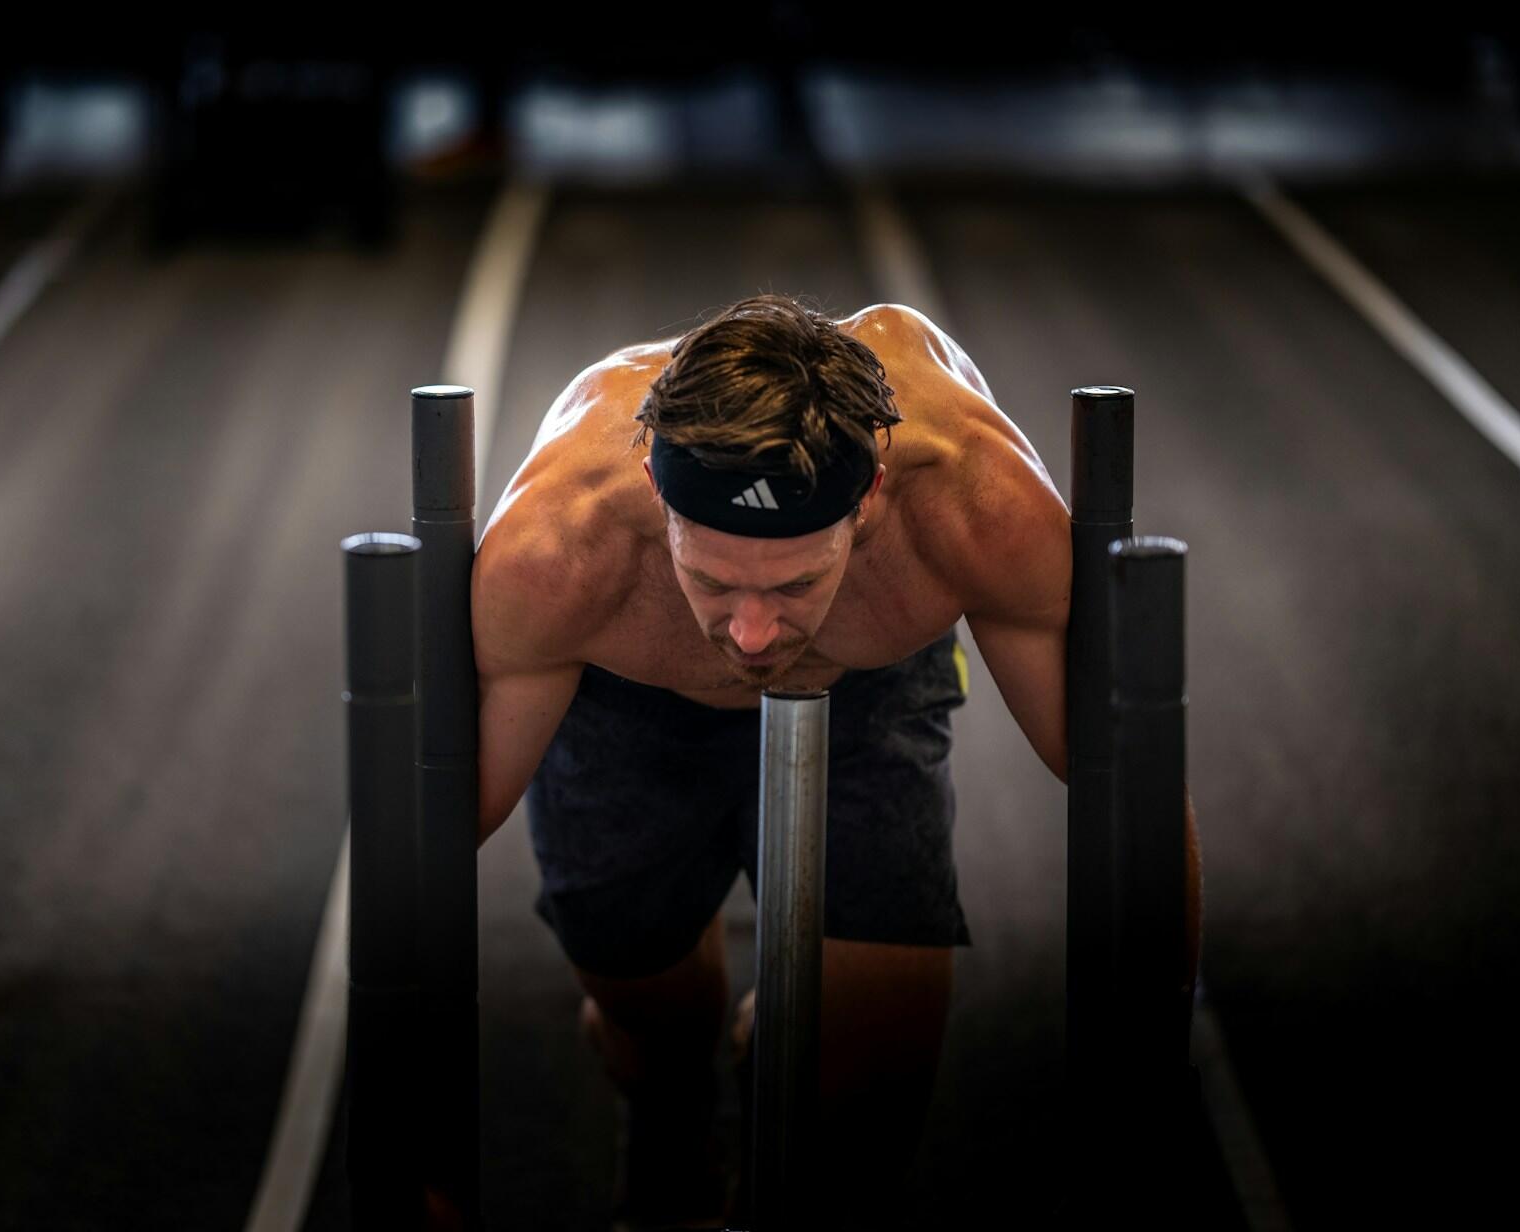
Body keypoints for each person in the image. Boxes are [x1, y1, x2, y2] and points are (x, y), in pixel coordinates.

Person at [471, 293, 1200, 1228]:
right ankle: (669, 1104)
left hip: (870, 689)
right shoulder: (557, 548)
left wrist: (1150, 1082)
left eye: (798, 582)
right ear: (657, 497)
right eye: (711, 581)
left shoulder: (973, 499)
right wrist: (419, 1172)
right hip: (623, 709)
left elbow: (1125, 791)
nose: (752, 632)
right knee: (659, 1031)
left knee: (869, 1095)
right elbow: (429, 846)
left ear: (874, 497)